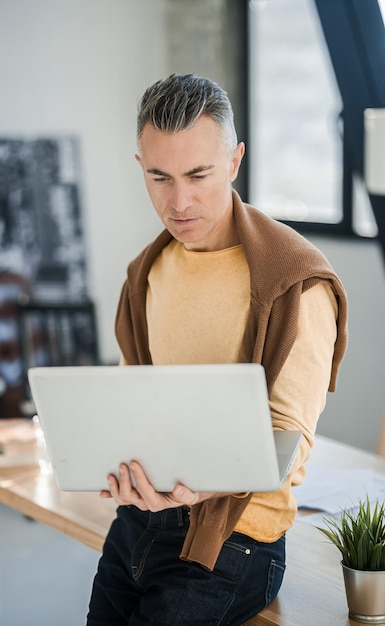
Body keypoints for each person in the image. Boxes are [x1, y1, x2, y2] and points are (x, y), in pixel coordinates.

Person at [86, 73, 348, 625]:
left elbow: (287, 444)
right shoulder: (146, 272)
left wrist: (200, 480)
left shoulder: (296, 282)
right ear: (141, 169)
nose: (179, 201)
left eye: (199, 174)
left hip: (235, 541)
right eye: (160, 176)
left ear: (234, 162)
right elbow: (134, 401)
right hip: (139, 523)